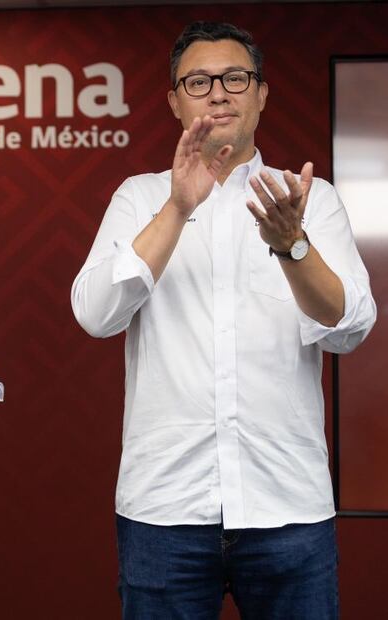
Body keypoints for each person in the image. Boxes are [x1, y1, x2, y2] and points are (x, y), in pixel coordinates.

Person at [71, 22, 375, 618]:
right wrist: (179, 206)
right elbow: (95, 314)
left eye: (235, 78)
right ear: (174, 101)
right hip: (165, 507)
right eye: (198, 81)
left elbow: (350, 327)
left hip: (288, 503)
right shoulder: (140, 197)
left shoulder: (310, 198)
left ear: (261, 94)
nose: (217, 93)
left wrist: (292, 246)